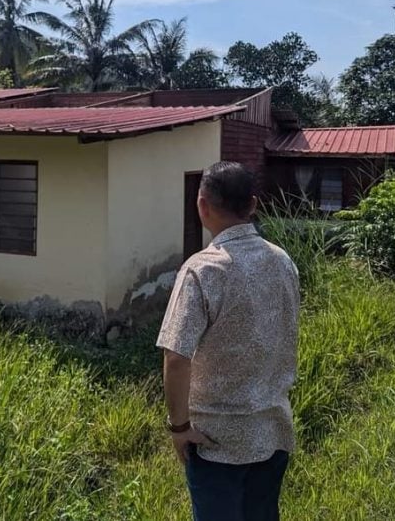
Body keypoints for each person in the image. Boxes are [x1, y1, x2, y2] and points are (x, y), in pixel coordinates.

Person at [156, 161, 300, 521]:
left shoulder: (202, 269)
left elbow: (176, 358)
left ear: (202, 205)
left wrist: (178, 428)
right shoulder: (283, 261)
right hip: (272, 430)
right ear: (252, 205)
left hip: (215, 440)